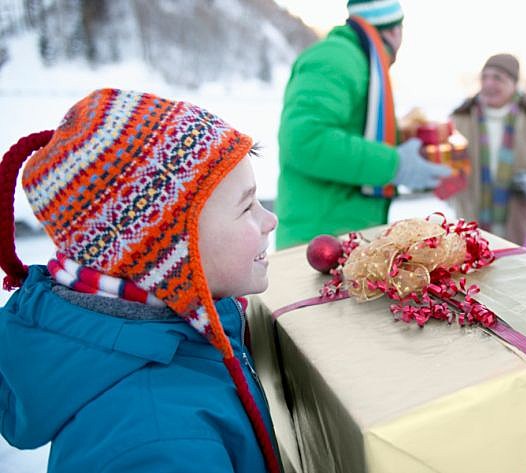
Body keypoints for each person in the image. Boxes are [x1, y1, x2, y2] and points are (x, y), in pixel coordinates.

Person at [0, 89, 283, 473]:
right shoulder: (160, 446)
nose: (270, 220)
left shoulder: (178, 328)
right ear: (166, 251)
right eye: (247, 206)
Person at [275, 0, 452, 249]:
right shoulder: (335, 59)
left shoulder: (356, 59)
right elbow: (305, 140)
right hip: (317, 243)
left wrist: (409, 144)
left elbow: (357, 132)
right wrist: (396, 164)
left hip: (344, 235)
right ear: (394, 31)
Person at [449, 53, 526, 245]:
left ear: (513, 84)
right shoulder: (459, 119)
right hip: (470, 224)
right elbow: (444, 163)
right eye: (484, 77)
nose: (488, 84)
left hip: (518, 225)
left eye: (497, 78)